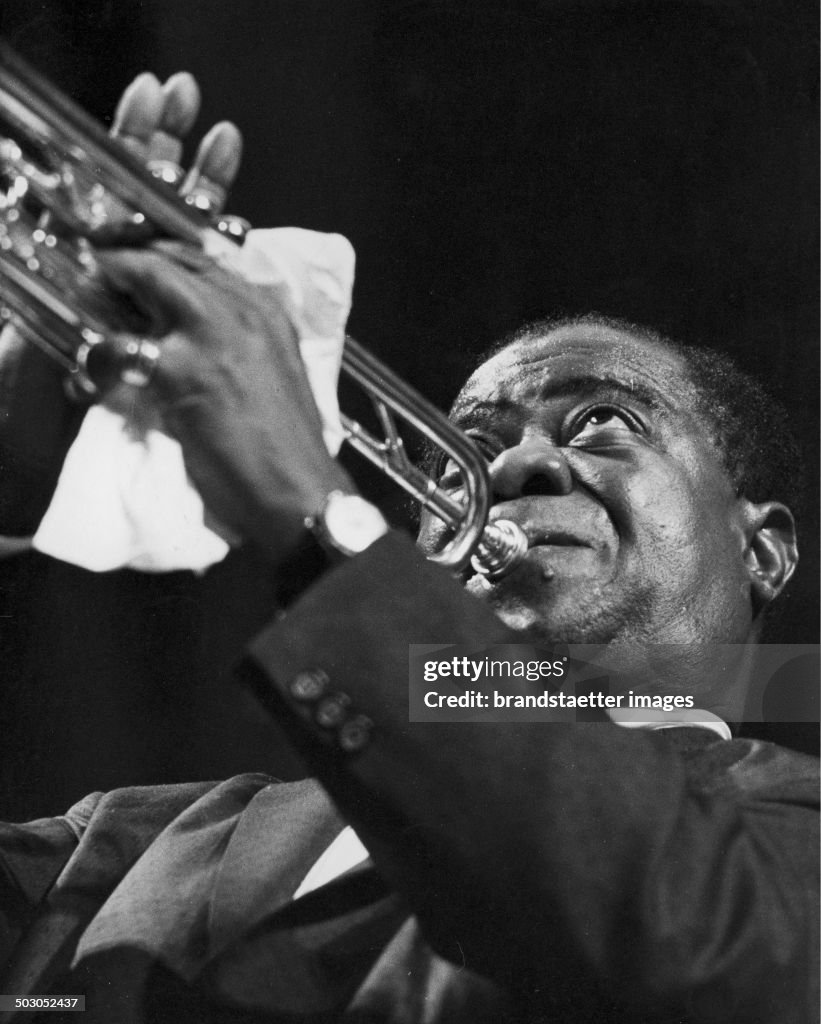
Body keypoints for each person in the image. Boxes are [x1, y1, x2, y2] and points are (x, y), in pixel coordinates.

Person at [0, 74, 817, 1024]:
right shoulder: (120, 842)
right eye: (466, 446)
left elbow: (666, 931)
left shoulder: (784, 833)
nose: (514, 466)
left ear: (760, 552)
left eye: (601, 422)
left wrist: (307, 506)